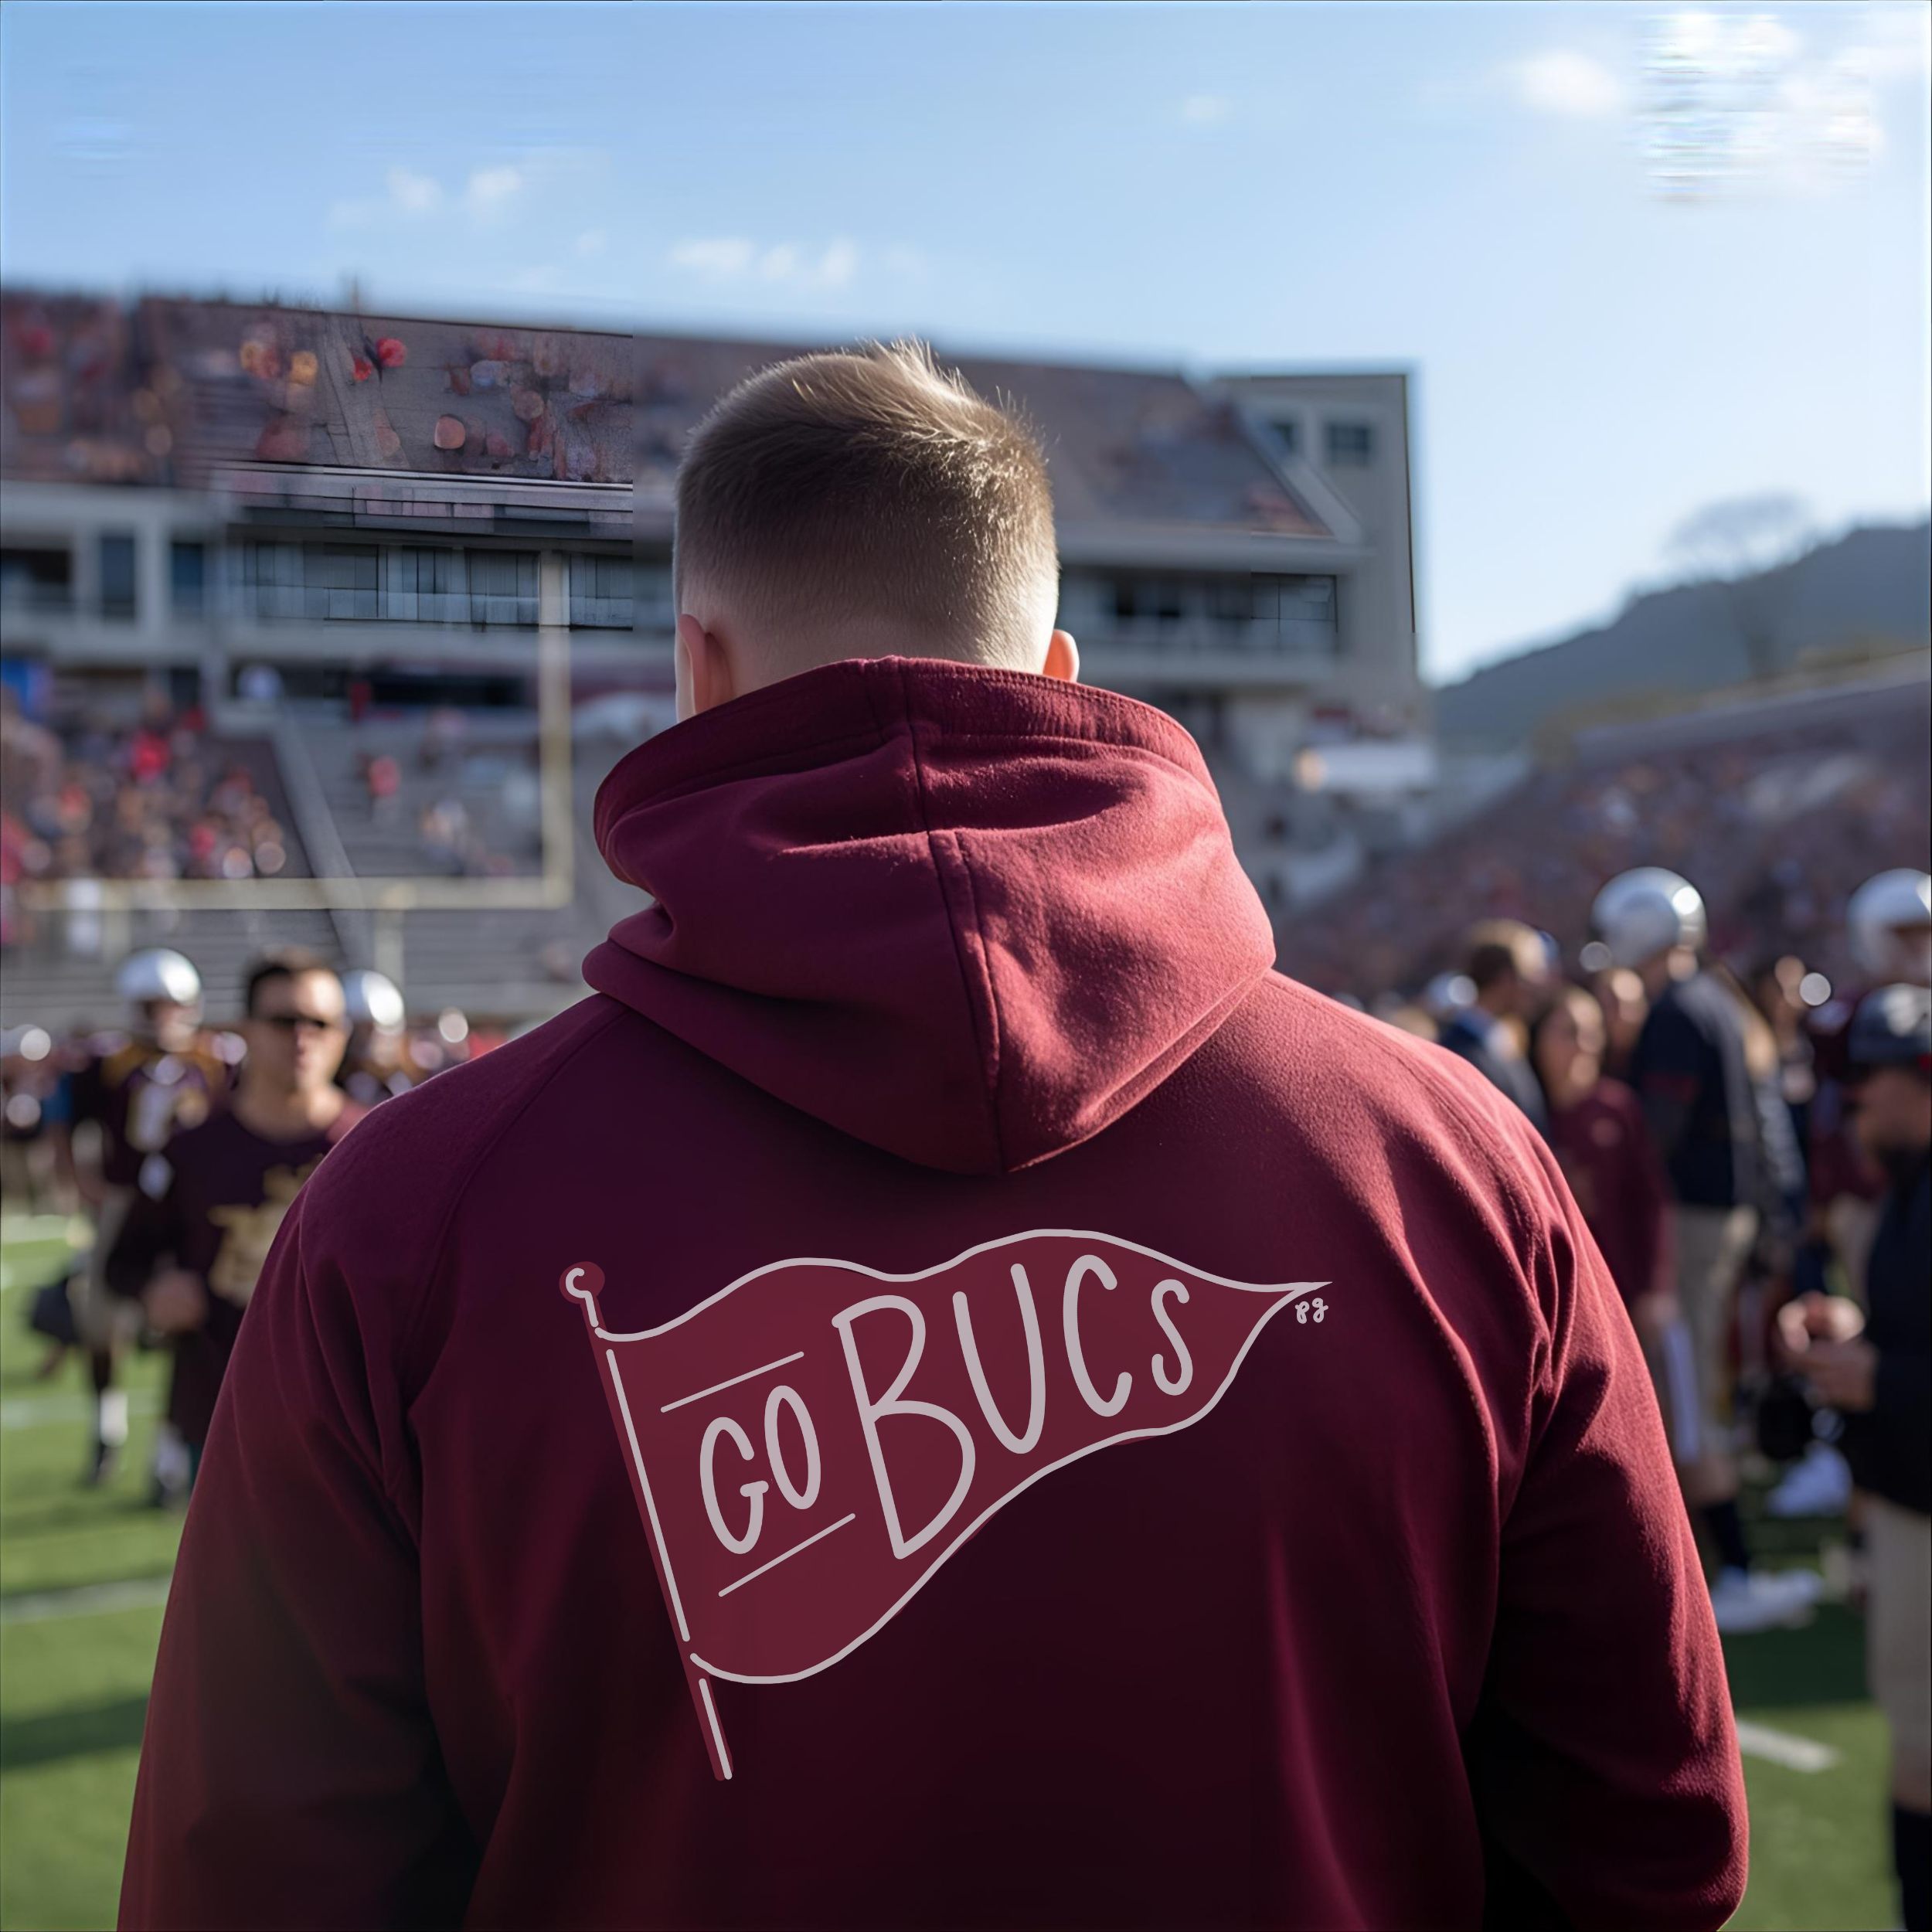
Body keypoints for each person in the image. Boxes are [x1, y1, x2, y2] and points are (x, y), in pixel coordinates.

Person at [122, 342, 1746, 1931]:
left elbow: (253, 1870)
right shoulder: (1448, 1156)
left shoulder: (411, 1210)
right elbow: (1646, 1831)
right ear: (1052, 673)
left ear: (695, 668)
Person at [1599, 868, 1815, 1631]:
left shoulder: (1675, 1011)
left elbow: (1659, 1128)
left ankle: (1729, 1566)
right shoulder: (1716, 1000)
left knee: (1686, 1399)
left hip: (1691, 1220)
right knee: (1694, 1387)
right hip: (1721, 1216)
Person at [1778, 983, 1930, 1932]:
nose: (1851, 1101)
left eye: (1866, 1076)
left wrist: (1887, 1380)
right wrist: (1858, 1340)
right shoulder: (1906, 1188)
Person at [105, 950, 365, 1505]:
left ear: (343, 1033)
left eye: (319, 1022)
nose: (302, 1037)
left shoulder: (379, 1148)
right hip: (221, 1411)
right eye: (281, 1020)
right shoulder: (191, 1150)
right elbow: (121, 1263)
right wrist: (155, 1292)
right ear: (244, 1029)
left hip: (352, 1420)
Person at [49, 950, 229, 1483]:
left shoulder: (216, 1060)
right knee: (101, 1319)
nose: (164, 1016)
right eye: (153, 1005)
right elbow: (65, 1122)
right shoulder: (107, 1060)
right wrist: (82, 1183)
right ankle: (109, 1429)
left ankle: (171, 1450)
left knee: (192, 1321)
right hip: (127, 1202)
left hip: (190, 1204)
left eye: (173, 1004)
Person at [1436, 919, 1551, 1131]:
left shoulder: (1505, 1042)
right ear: (1505, 979)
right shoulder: (1458, 1054)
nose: (1536, 989)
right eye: (1530, 976)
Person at [334, 968, 416, 1108]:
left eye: (384, 1028)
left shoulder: (403, 1087)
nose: (374, 1040)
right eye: (365, 1029)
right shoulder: (329, 1095)